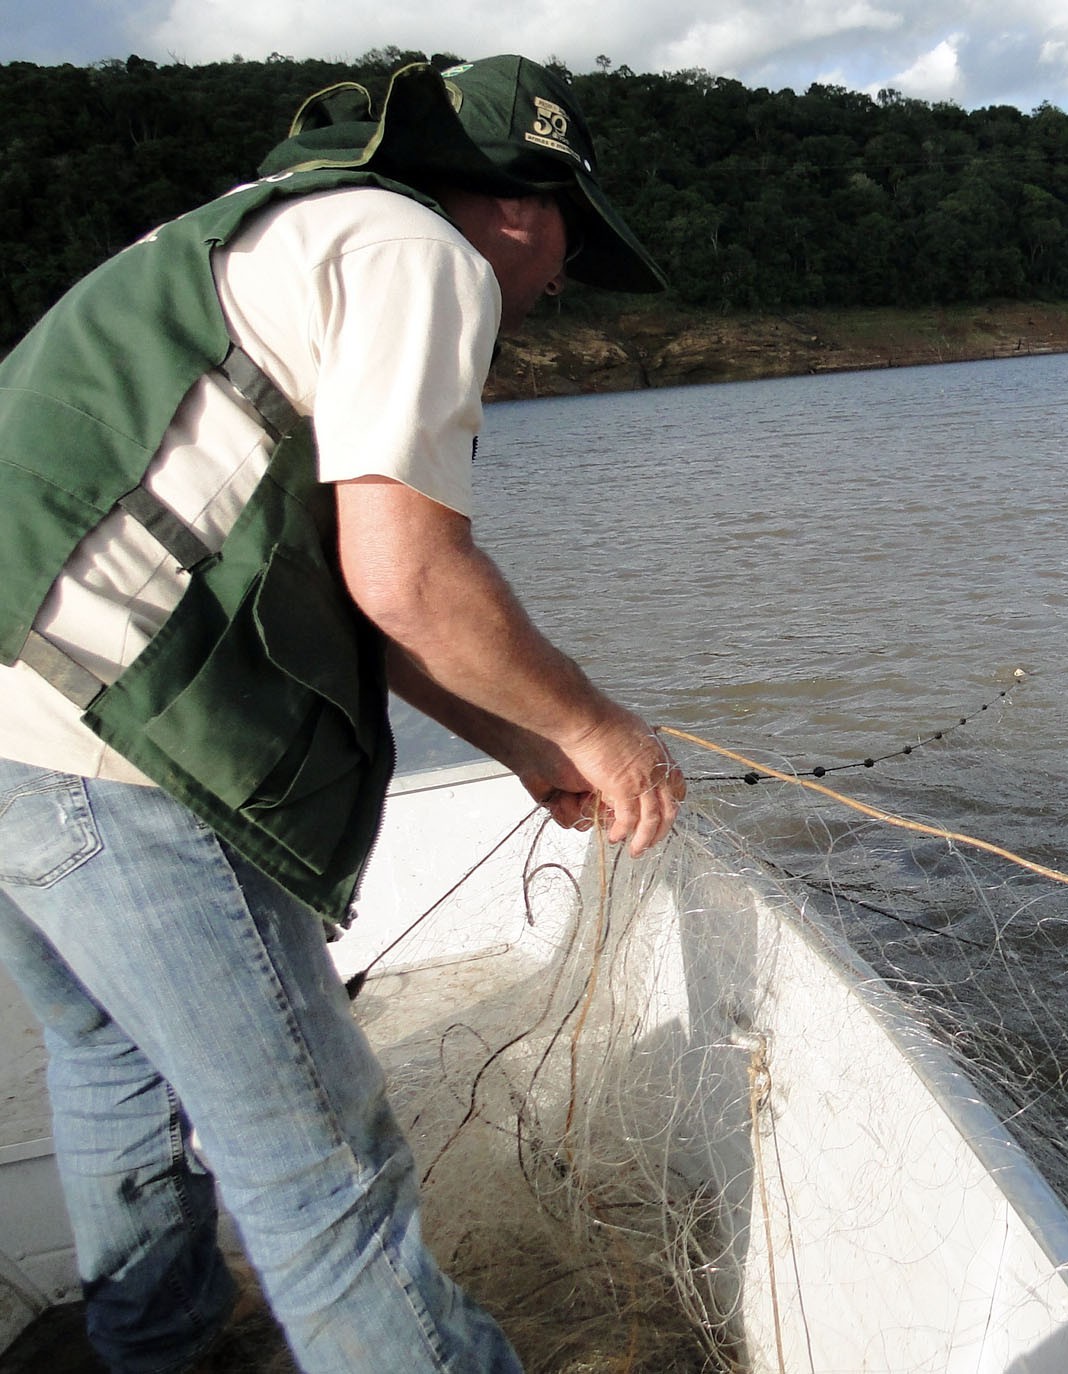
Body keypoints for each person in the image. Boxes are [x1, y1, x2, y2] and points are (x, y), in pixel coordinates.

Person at [0, 54, 684, 1373]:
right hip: (112, 756)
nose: (548, 293)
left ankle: (161, 1352)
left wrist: (531, 743)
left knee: (106, 1062)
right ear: (522, 209)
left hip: (13, 730)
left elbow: (367, 590)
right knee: (326, 1184)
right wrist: (602, 729)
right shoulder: (417, 253)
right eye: (571, 251)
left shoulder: (269, 227)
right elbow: (412, 576)